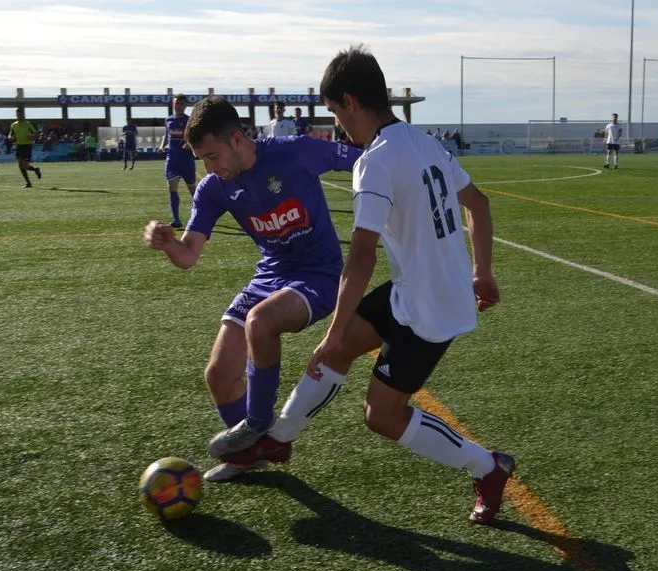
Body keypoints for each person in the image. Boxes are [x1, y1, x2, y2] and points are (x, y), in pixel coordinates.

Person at [209, 45, 514, 525]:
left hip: (430, 308)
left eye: (334, 111)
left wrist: (333, 327)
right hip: (417, 289)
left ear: (351, 102)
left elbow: (363, 254)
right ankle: (276, 440)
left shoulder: (373, 161)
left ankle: (488, 466)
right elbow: (479, 203)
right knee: (339, 351)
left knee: (381, 415)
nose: (337, 125)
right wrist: (482, 270)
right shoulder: (426, 142)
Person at [142, 95, 360, 482]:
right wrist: (167, 244)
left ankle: (259, 427)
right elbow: (189, 254)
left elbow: (363, 160)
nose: (209, 168)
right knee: (219, 375)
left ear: (237, 140)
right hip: (270, 276)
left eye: (212, 156)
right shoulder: (213, 188)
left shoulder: (297, 152)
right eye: (202, 160)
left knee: (260, 322)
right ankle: (247, 458)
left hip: (320, 275)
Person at [157, 94, 197, 229]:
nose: (178, 106)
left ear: (185, 106)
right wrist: (162, 146)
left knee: (193, 190)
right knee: (171, 189)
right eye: (176, 103)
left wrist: (189, 143)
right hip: (172, 160)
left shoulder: (190, 120)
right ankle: (176, 220)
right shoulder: (168, 120)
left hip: (186, 160)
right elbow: (166, 135)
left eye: (181, 104)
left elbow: (195, 136)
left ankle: (202, 214)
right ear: (173, 105)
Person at [8, 107, 42, 188]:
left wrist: (33, 137)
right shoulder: (14, 125)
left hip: (27, 146)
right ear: (16, 115)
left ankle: (36, 170)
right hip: (19, 146)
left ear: (23, 114)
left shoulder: (28, 124)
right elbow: (10, 134)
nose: (19, 115)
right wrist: (10, 137)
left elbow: (36, 134)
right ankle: (28, 183)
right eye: (18, 114)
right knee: (20, 165)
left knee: (25, 166)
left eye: (21, 114)